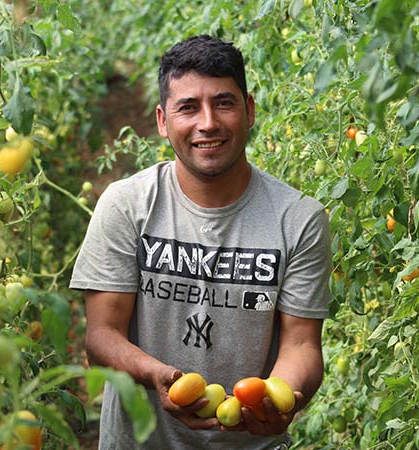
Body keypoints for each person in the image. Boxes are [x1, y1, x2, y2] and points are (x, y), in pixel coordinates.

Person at [69, 34, 331, 450]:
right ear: (162, 120)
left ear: (249, 111)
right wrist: (157, 375)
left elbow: (301, 342)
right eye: (188, 107)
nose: (207, 122)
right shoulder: (127, 205)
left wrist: (281, 395)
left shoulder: (298, 219)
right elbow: (102, 336)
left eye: (223, 103)